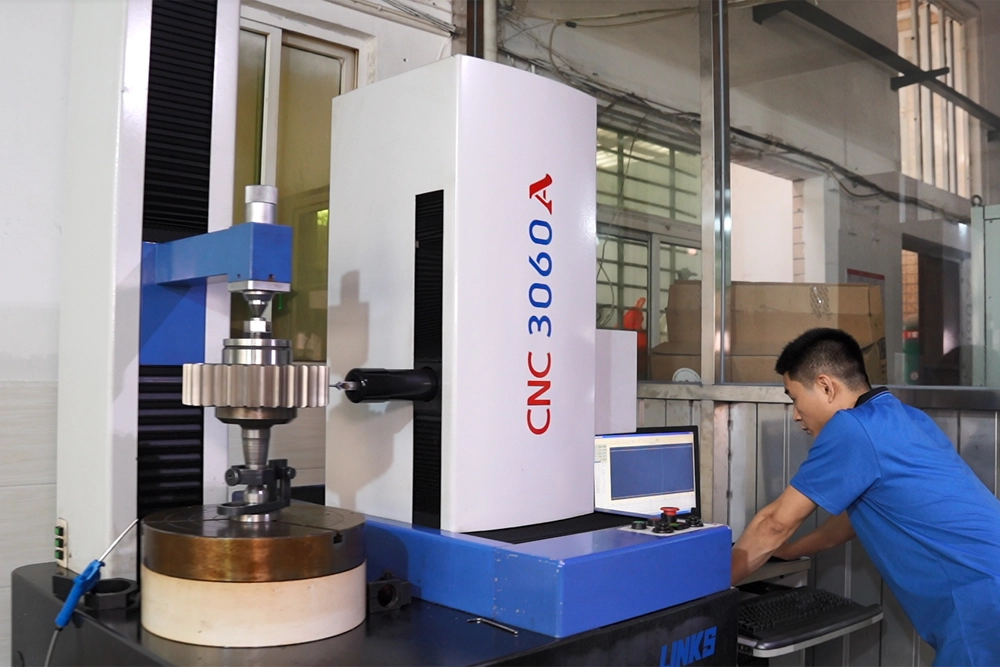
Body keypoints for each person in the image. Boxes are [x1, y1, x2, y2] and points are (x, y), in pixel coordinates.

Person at [731, 328, 1000, 666]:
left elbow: (774, 523)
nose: (796, 414)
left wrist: (706, 588)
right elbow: (853, 520)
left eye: (794, 398)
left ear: (826, 386)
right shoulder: (906, 417)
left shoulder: (851, 429)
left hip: (981, 601)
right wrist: (791, 551)